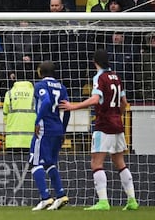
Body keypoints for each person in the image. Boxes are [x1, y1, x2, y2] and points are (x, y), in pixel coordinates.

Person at [59, 49, 139, 211]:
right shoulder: (116, 77)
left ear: (94, 62)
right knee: (120, 162)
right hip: (118, 125)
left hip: (103, 126)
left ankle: (103, 202)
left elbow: (95, 99)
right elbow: (124, 102)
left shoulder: (99, 77)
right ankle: (132, 200)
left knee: (96, 163)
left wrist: (73, 106)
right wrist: (117, 115)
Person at [30, 61, 70, 211]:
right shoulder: (62, 87)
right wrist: (63, 129)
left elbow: (46, 101)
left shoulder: (39, 85)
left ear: (40, 71)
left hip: (44, 129)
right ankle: (60, 195)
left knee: (34, 162)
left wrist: (37, 120)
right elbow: (67, 110)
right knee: (49, 163)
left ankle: (45, 198)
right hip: (57, 129)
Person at [3, 80, 36, 151]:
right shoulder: (35, 93)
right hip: (31, 141)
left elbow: (5, 116)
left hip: (12, 142)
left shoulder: (9, 93)